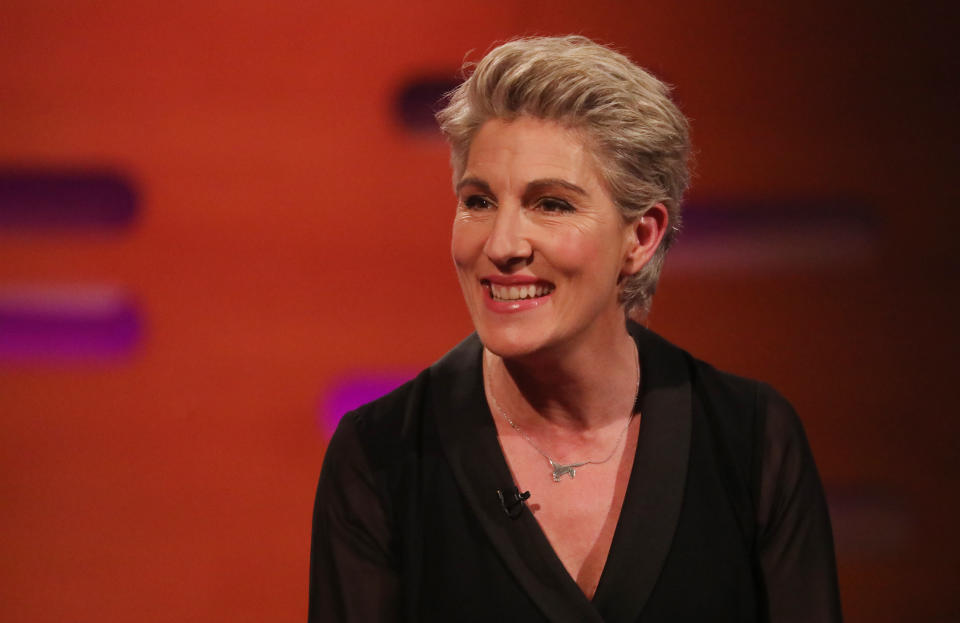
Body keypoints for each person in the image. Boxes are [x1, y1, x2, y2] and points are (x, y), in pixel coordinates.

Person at [309, 35, 841, 622]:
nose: (502, 245)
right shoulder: (381, 457)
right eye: (479, 201)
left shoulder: (751, 443)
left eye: (551, 205)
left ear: (640, 237)